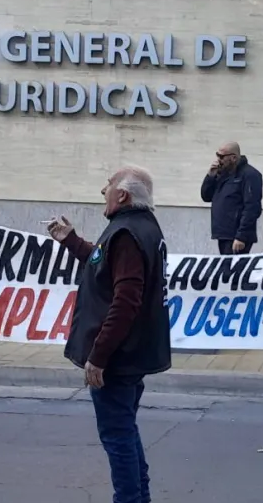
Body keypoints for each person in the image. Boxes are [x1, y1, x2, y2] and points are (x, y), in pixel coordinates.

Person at [47, 165, 171, 503]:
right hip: (132, 354)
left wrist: (98, 356)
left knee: (118, 437)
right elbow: (105, 265)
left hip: (119, 358)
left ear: (123, 194)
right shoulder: (137, 228)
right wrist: (72, 242)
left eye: (108, 184)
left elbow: (126, 301)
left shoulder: (127, 233)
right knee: (124, 432)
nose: (103, 189)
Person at [200, 141, 263, 255]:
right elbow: (206, 196)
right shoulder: (222, 174)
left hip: (236, 236)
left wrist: (241, 236)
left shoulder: (249, 175)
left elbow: (252, 208)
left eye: (221, 156)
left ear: (233, 158)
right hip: (223, 234)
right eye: (217, 155)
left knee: (234, 271)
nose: (218, 159)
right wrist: (210, 177)